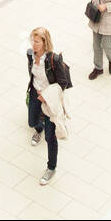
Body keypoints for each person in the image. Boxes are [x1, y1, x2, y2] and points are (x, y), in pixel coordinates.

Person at [26, 27, 69, 185]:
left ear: (45, 43)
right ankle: (39, 129)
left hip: (49, 99)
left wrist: (47, 96)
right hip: (34, 93)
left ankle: (51, 168)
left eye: (37, 42)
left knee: (51, 137)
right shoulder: (30, 54)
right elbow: (32, 73)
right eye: (32, 40)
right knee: (31, 121)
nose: (33, 44)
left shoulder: (54, 59)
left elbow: (63, 83)